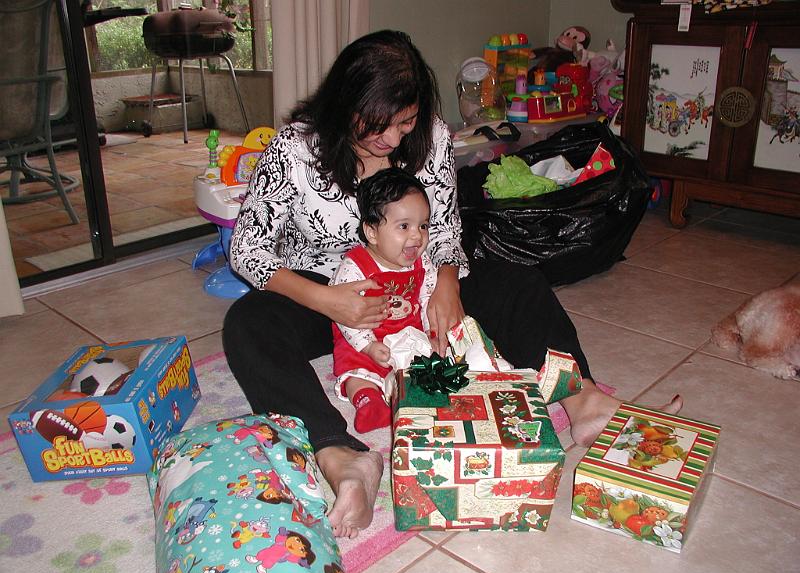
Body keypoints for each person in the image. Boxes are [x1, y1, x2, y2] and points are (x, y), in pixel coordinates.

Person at [223, 29, 680, 540]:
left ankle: (583, 399)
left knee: (516, 278)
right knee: (248, 323)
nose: (393, 141)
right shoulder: (295, 148)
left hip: (419, 283)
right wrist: (328, 301)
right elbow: (247, 249)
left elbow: (443, 229)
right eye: (377, 125)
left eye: (405, 123)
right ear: (343, 103)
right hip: (332, 290)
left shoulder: (433, 138)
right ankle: (340, 454)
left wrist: (446, 284)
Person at [330, 167, 437, 434]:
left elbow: (427, 297)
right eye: (404, 226)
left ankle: (415, 395)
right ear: (373, 232)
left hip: (407, 334)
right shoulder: (355, 266)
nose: (417, 236)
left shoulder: (422, 263)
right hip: (365, 337)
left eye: (423, 225)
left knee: (432, 359)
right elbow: (343, 314)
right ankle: (367, 401)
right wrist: (367, 346)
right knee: (356, 369)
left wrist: (430, 332)